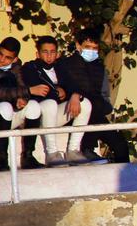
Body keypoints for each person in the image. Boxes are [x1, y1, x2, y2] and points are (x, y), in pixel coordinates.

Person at [59, 28, 130, 163]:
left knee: (121, 145)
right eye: (87, 47)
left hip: (96, 113)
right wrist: (76, 95)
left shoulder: (99, 67)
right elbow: (65, 87)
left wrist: (105, 106)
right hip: (73, 111)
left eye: (94, 48)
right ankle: (87, 149)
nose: (91, 51)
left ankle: (126, 181)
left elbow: (104, 95)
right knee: (93, 105)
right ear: (78, 46)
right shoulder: (65, 64)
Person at [22, 35, 95, 166]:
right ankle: (52, 153)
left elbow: (74, 84)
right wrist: (57, 91)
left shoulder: (60, 67)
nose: (49, 56)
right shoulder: (30, 68)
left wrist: (74, 94)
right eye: (45, 52)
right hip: (38, 117)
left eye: (52, 52)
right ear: (37, 53)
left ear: (57, 53)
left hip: (55, 117)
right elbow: (40, 93)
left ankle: (73, 150)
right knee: (50, 103)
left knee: (85, 103)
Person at [0, 36, 43, 170]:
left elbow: (21, 87)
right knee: (5, 107)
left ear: (15, 59)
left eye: (7, 58)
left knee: (34, 106)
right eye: (0, 54)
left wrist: (22, 99)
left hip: (9, 116)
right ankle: (1, 158)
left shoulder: (16, 66)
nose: (1, 59)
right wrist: (28, 91)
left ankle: (28, 156)